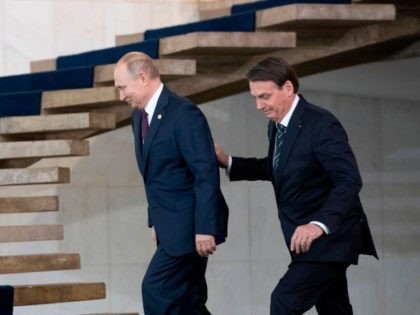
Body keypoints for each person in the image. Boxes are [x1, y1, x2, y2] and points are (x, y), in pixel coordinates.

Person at [215, 56, 378, 314]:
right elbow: (279, 167)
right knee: (334, 309)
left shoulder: (321, 124)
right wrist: (229, 162)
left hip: (328, 240)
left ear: (288, 88)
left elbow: (349, 179)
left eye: (265, 96)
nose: (258, 105)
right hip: (307, 244)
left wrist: (318, 225)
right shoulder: (277, 126)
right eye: (255, 97)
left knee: (283, 302)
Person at [114, 51, 228, 315]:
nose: (121, 96)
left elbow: (205, 172)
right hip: (169, 226)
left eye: (122, 87)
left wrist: (205, 228)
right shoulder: (138, 117)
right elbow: (155, 177)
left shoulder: (184, 113)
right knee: (189, 300)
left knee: (155, 290)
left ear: (142, 78)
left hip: (191, 227)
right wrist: (154, 220)